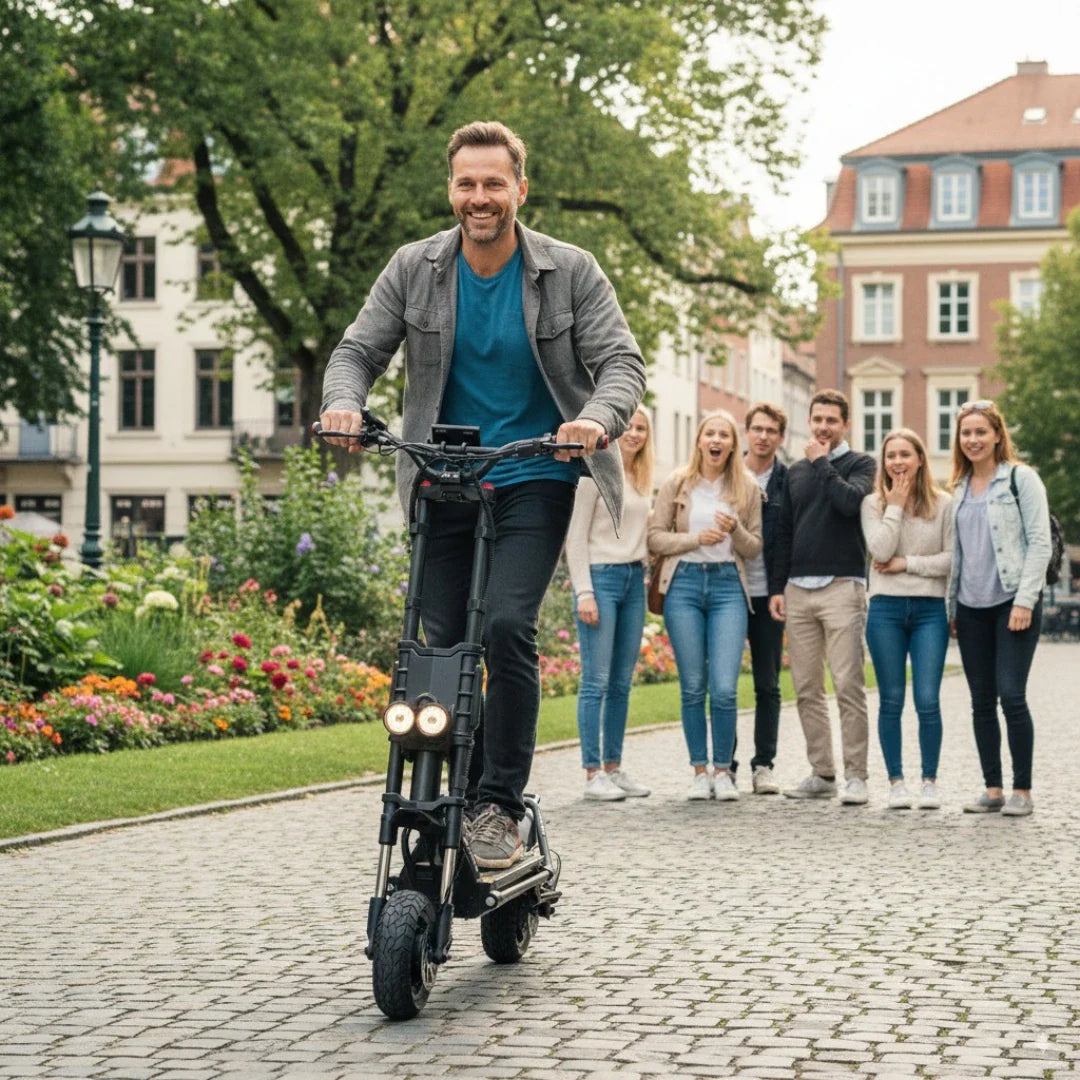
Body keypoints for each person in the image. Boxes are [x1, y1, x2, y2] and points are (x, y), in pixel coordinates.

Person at [319, 121, 646, 867]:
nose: (479, 197)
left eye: (493, 183)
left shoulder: (571, 270)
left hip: (533, 472)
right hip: (442, 479)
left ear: (520, 190)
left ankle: (498, 804)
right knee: (442, 647)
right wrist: (344, 401)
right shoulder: (414, 267)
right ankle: (454, 788)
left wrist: (594, 420)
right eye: (466, 183)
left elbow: (620, 363)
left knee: (503, 626)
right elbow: (356, 351)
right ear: (451, 190)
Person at [769, 389, 876, 805]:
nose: (823, 427)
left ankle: (857, 776)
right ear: (809, 421)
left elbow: (850, 504)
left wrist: (821, 461)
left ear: (845, 424)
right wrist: (779, 587)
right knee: (807, 686)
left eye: (831, 421)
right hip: (798, 590)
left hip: (842, 586)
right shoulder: (795, 472)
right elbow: (783, 532)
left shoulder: (861, 465)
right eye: (817, 419)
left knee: (848, 684)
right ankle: (822, 771)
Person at [648, 410, 763, 801]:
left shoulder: (745, 488)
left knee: (726, 688)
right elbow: (656, 538)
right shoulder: (677, 483)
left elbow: (754, 548)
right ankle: (700, 771)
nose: (716, 440)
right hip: (683, 586)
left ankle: (723, 771)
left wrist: (735, 530)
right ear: (699, 440)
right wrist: (695, 539)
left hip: (729, 586)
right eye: (710, 433)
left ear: (733, 444)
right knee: (694, 685)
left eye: (724, 435)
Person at [948, 400, 1051, 817]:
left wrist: (1025, 600)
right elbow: (957, 553)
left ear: (996, 436)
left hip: (1012, 603)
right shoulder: (957, 488)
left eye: (980, 432)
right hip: (970, 607)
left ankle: (1022, 790)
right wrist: (952, 606)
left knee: (1011, 695)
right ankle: (993, 788)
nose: (972, 439)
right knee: (980, 700)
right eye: (965, 433)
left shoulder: (1020, 479)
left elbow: (1039, 541)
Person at [860, 429, 952, 810]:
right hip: (886, 610)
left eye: (905, 455)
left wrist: (905, 564)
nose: (897, 462)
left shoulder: (944, 503)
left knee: (928, 699)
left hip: (930, 610)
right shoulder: (872, 504)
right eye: (891, 456)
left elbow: (951, 560)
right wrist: (894, 506)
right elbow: (878, 549)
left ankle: (929, 781)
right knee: (892, 699)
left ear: (919, 459)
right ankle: (896, 782)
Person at [566, 407, 654, 802]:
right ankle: (591, 774)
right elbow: (575, 539)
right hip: (600, 579)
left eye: (642, 429)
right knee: (596, 681)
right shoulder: (592, 475)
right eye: (629, 426)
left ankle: (614, 768)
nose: (634, 434)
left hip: (635, 579)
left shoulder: (644, 479)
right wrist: (584, 591)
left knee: (621, 682)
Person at [732, 402, 789, 795]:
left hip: (768, 594)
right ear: (747, 432)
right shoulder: (727, 475)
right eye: (757, 429)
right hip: (729, 592)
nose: (764, 436)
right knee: (724, 684)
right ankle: (725, 763)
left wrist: (781, 588)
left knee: (767, 683)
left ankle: (763, 764)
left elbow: (789, 542)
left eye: (771, 430)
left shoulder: (790, 480)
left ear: (780, 437)